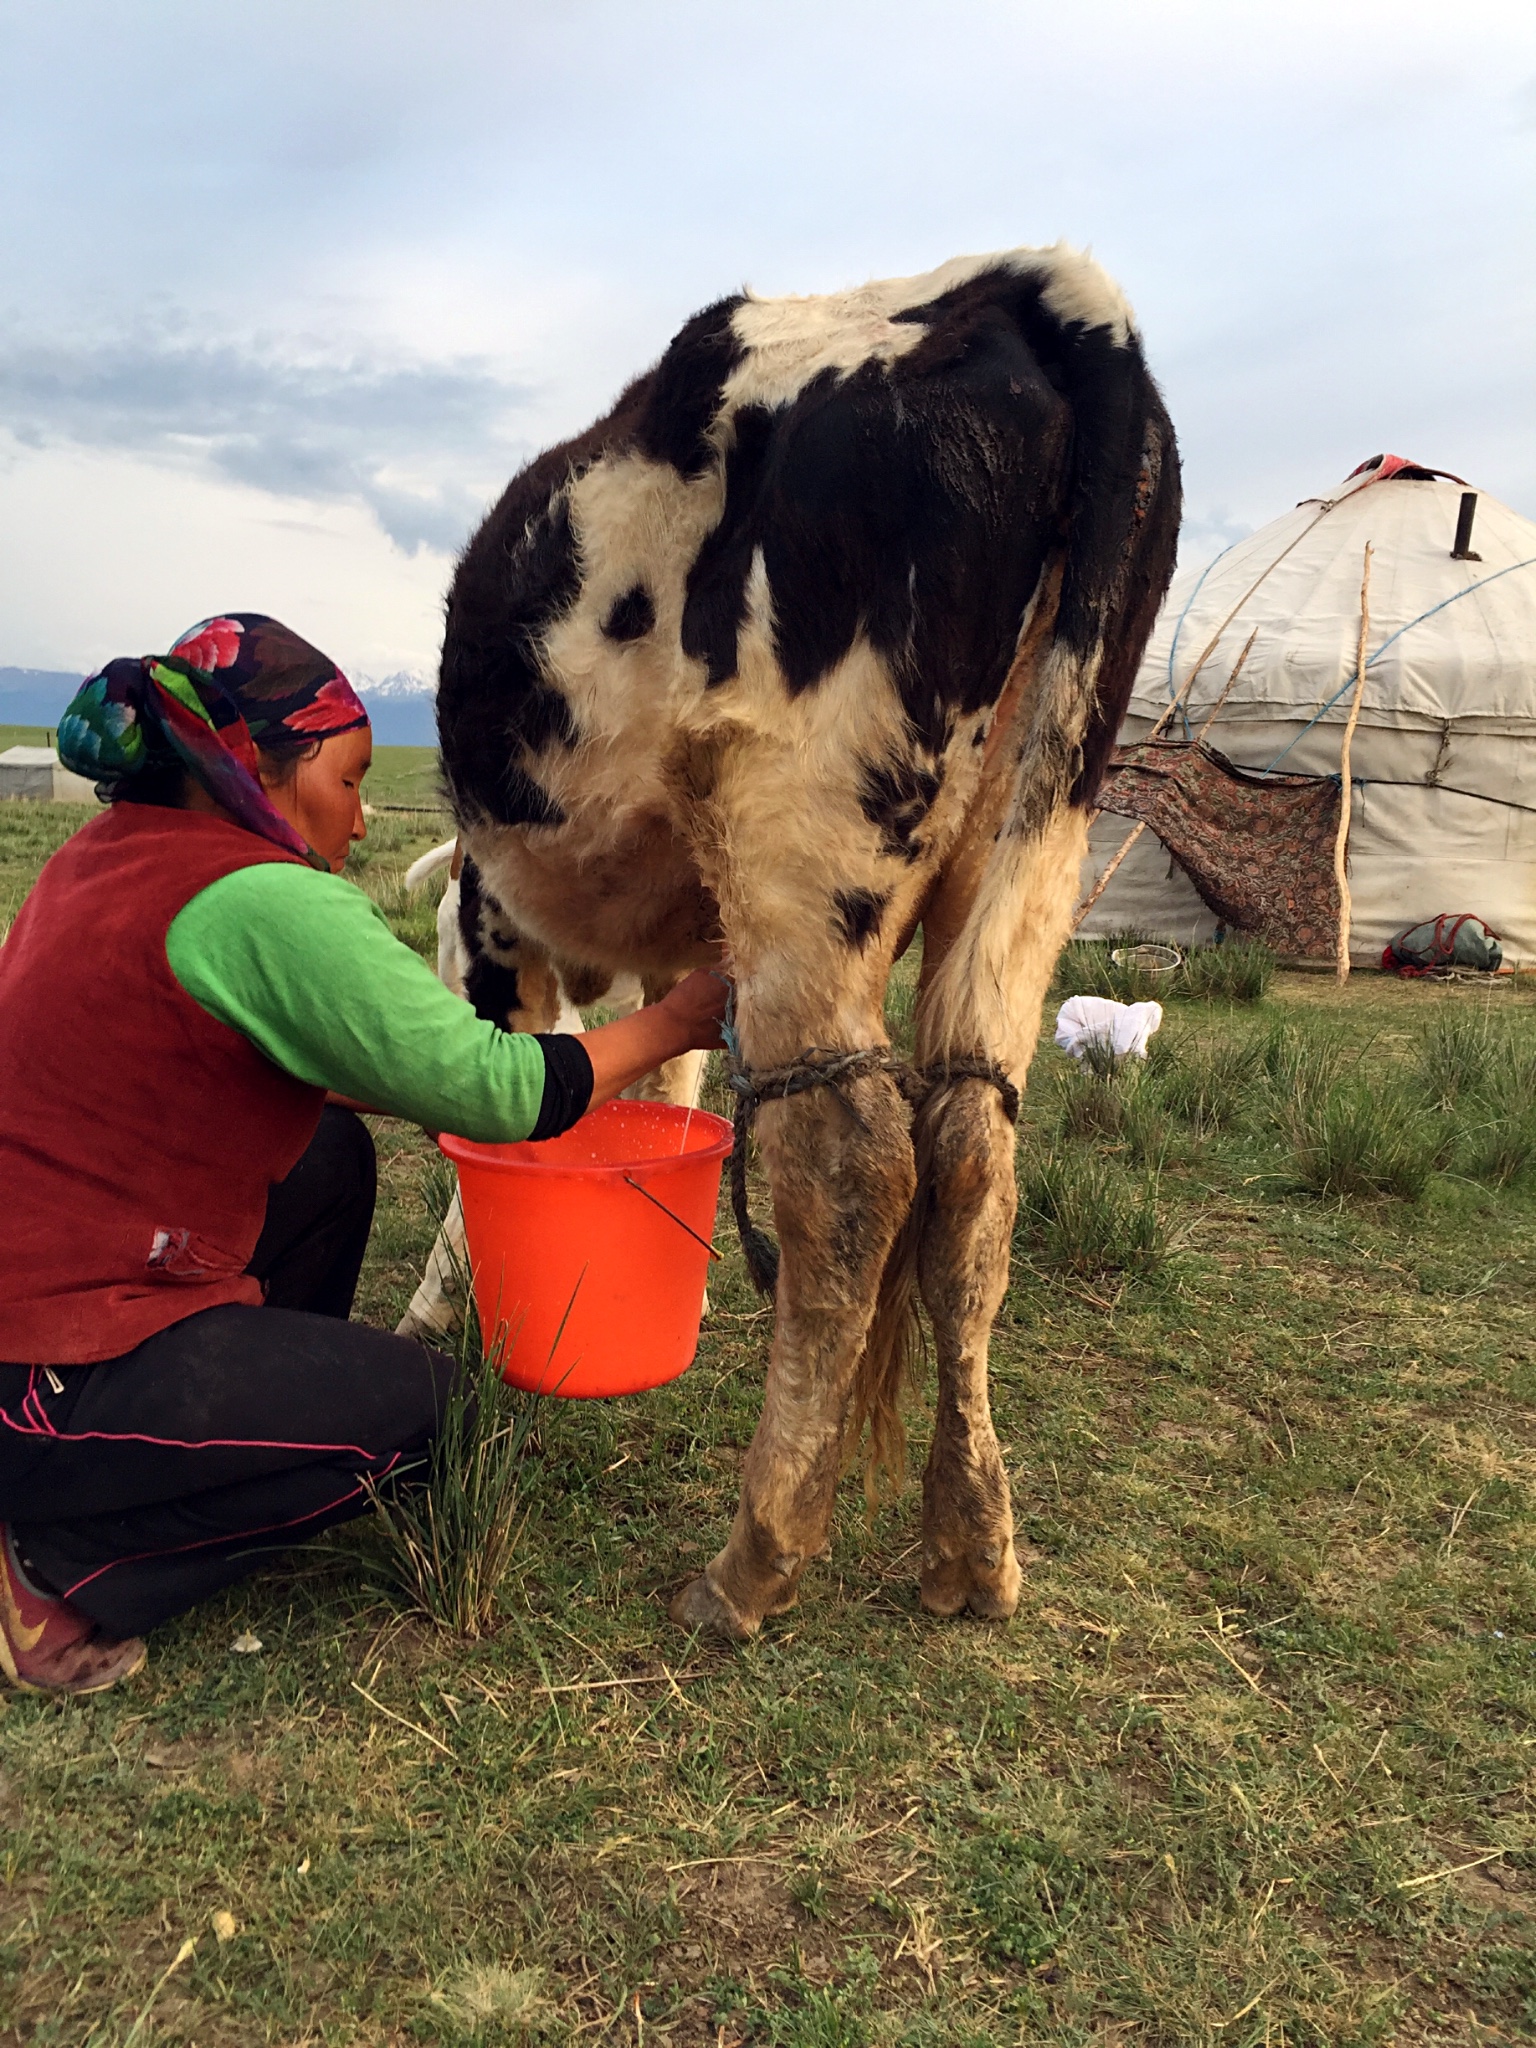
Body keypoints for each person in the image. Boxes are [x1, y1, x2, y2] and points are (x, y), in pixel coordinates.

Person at [0, 614, 726, 1696]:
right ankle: (53, 1567)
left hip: (57, 1306)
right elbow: (502, 1091)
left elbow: (227, 1053)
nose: (364, 808)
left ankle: (236, 1424)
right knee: (441, 1420)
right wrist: (675, 1021)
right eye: (347, 776)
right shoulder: (265, 899)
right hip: (51, 1374)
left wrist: (398, 1075)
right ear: (266, 772)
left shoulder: (108, 855)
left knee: (329, 1157)